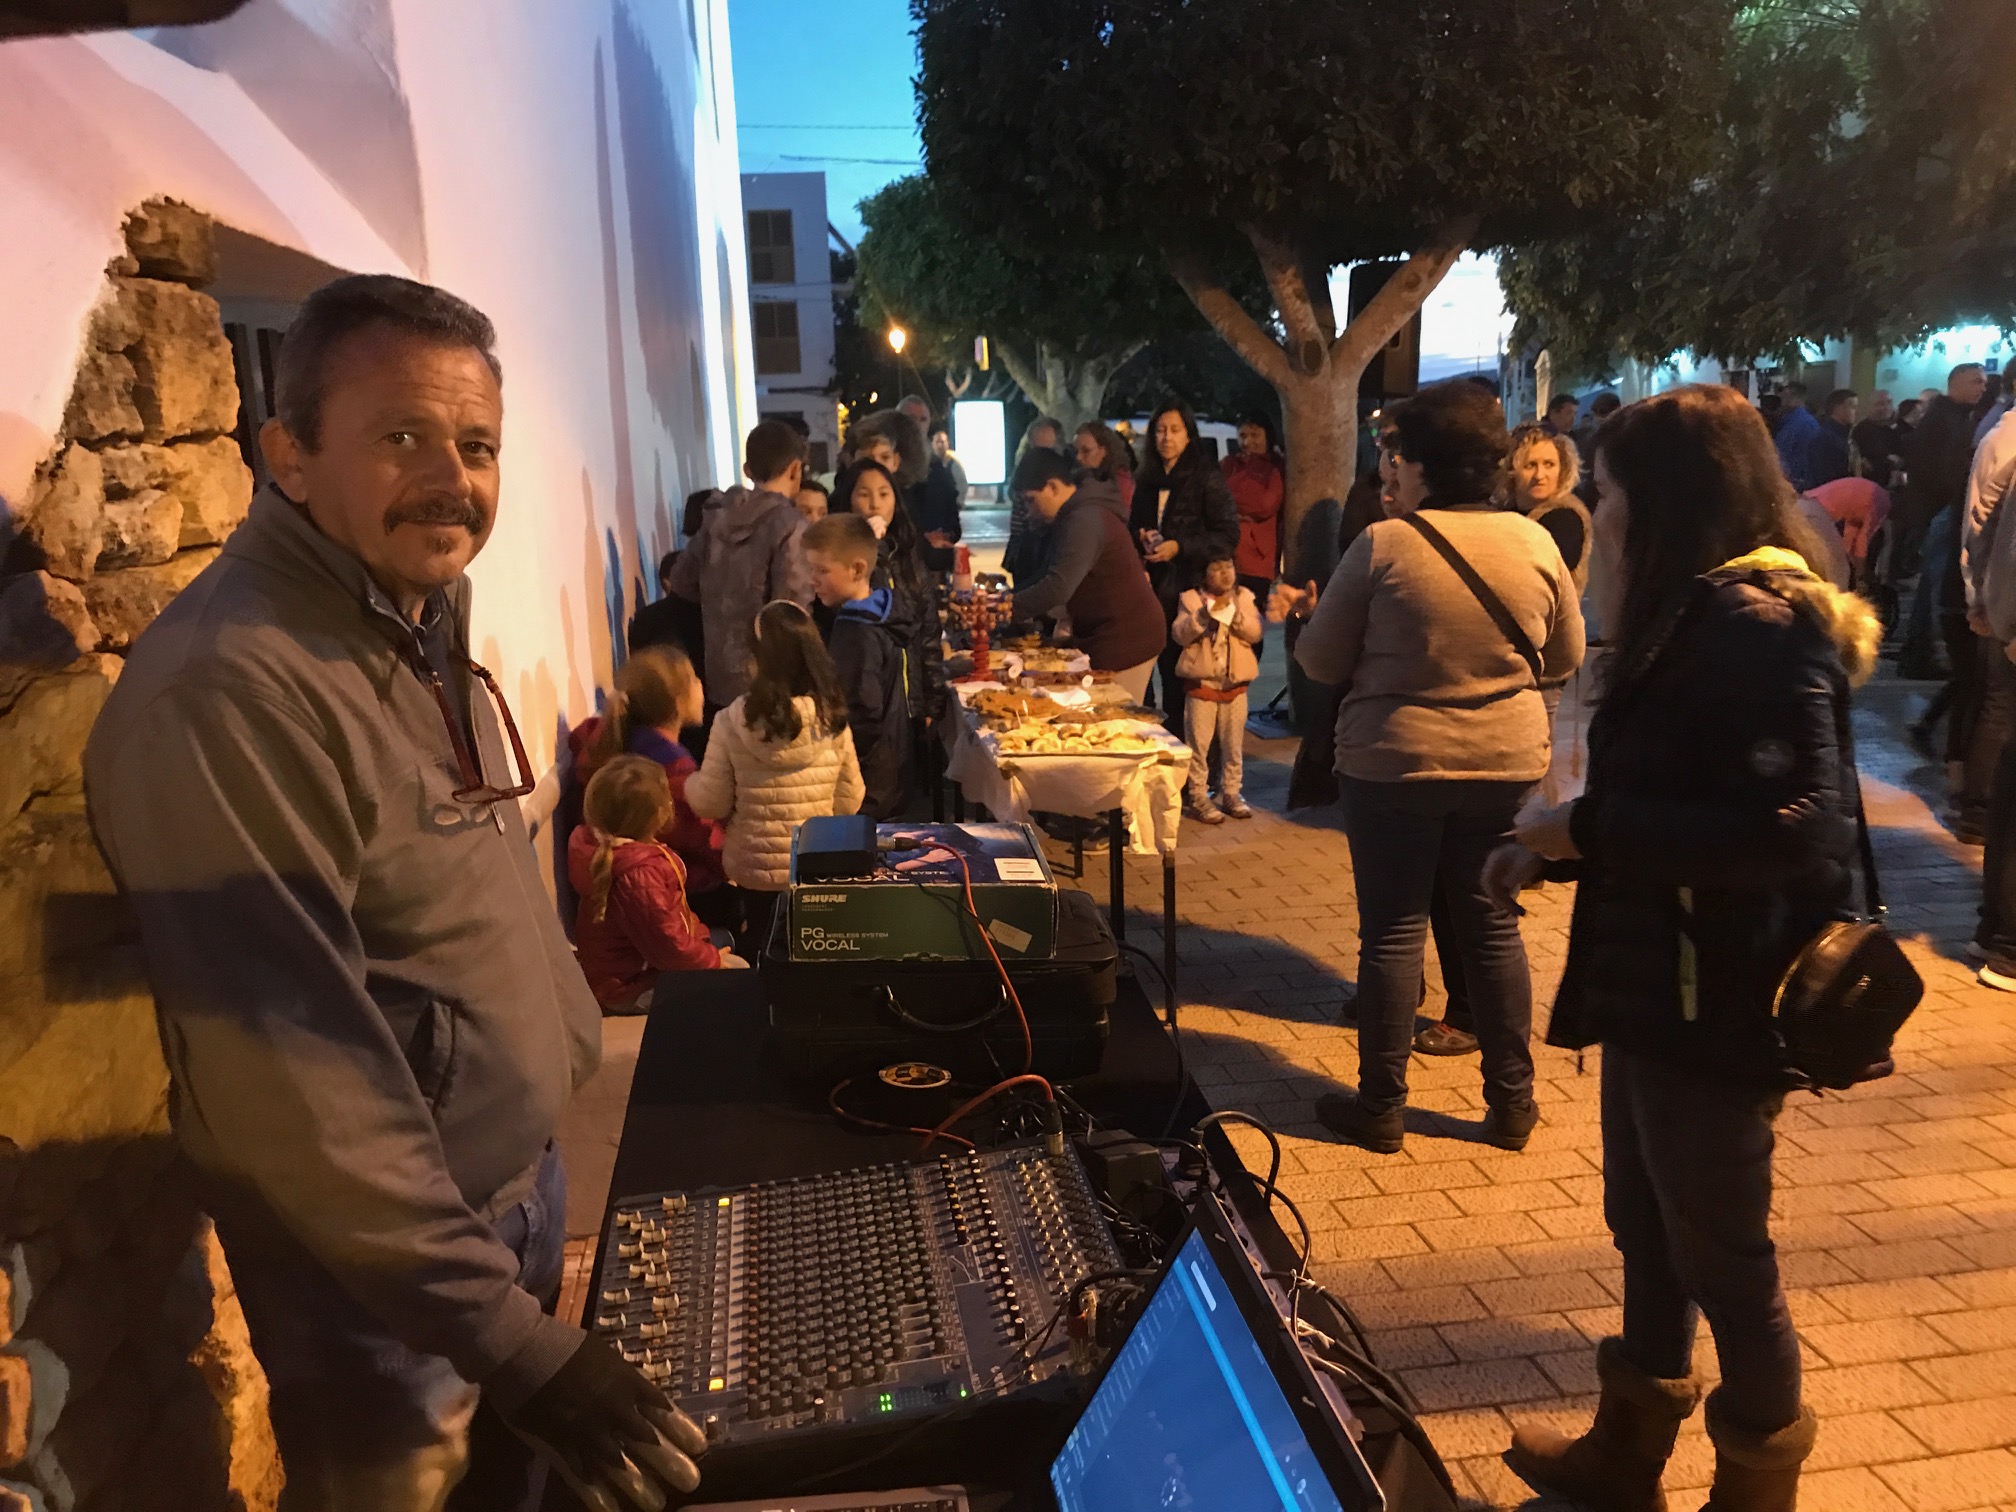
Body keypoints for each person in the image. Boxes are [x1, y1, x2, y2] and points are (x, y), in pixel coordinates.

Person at [82, 274, 703, 1510]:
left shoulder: (412, 621)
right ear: (290, 456)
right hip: (379, 1287)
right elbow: (291, 1092)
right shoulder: (231, 691)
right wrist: (517, 1343)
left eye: (477, 446)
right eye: (402, 435)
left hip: (507, 1203)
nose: (450, 478)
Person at [1494, 384, 1873, 1511]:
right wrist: (1561, 850)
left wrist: (1589, 830)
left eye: (1611, 494)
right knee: (1648, 1230)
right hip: (1661, 979)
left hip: (1721, 996)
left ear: (1668, 502)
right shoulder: (1699, 612)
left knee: (1725, 1258)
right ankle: (1626, 1456)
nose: (1599, 516)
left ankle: (1756, 1488)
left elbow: (1802, 831)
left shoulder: (1758, 623)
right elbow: (1686, 790)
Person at [1279, 380, 1584, 1155]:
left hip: (1394, 764)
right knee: (1492, 927)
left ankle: (1381, 1107)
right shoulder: (1536, 543)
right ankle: (1512, 1106)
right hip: (1505, 763)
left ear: (1422, 465)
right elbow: (1565, 656)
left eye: (1399, 458)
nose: (1393, 472)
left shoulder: (1386, 545)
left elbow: (1319, 662)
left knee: (1392, 933)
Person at [685, 599, 865, 958]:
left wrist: (689, 782)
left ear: (757, 659)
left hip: (755, 868)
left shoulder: (731, 721)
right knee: (812, 947)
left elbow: (712, 802)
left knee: (763, 945)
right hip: (814, 864)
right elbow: (850, 799)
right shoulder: (831, 720)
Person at [564, 645, 731, 928]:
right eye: (694, 679)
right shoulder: (669, 776)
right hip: (659, 900)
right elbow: (709, 844)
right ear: (677, 702)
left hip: (620, 894)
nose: (701, 685)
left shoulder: (607, 745)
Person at [568, 757, 741, 1011]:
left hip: (637, 968)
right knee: (739, 980)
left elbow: (671, 921)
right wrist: (711, 960)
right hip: (630, 988)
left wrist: (701, 943)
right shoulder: (638, 874)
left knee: (722, 939)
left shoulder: (615, 849)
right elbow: (668, 947)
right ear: (660, 814)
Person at [666, 419, 813, 708]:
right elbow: (790, 609)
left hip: (717, 677)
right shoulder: (790, 525)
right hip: (772, 681)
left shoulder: (717, 517)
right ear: (796, 468)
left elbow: (681, 580)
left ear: (747, 470)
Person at [1008, 447, 1167, 699]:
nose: (1028, 512)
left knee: (1113, 717)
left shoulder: (1083, 519)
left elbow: (1057, 587)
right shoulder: (1072, 515)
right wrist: (1007, 600)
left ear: (1053, 487)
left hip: (1127, 638)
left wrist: (1005, 608)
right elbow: (1047, 574)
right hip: (1106, 634)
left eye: (1030, 500)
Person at [1132, 400, 1241, 718]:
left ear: (1188, 435)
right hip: (1152, 588)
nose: (1166, 437)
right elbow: (1135, 523)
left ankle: (1182, 738)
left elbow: (1227, 534)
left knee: (1180, 677)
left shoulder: (1205, 475)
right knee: (1145, 665)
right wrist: (1143, 536)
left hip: (1189, 591)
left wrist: (1179, 547)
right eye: (1160, 430)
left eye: (1175, 430)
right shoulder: (1147, 478)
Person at [805, 512, 915, 819]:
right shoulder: (883, 613)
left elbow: (862, 709)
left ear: (857, 569)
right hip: (892, 764)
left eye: (822, 570)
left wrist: (839, 760)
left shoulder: (855, 630)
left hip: (868, 775)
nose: (813, 579)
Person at [836, 456, 947, 722]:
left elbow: (928, 631)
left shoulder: (907, 553)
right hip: (868, 705)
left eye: (884, 494)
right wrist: (870, 548)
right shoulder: (838, 556)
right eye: (864, 495)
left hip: (911, 701)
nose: (875, 504)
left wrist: (933, 701)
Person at [1898, 363, 1990, 677]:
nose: (1982, 388)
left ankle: (1919, 651)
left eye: (1983, 382)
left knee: (1931, 584)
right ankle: (1925, 653)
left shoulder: (1953, 417)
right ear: (1955, 383)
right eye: (1975, 381)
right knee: (1936, 585)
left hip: (1939, 510)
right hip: (1940, 510)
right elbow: (1940, 470)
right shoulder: (1944, 420)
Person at [1172, 554, 1262, 822]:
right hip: (1202, 686)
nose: (1225, 574)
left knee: (1233, 745)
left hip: (1234, 686)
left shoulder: (1244, 597)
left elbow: (1255, 633)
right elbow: (1179, 634)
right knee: (1198, 745)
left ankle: (1232, 792)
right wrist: (1201, 616)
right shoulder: (1190, 599)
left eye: (1229, 567)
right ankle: (1198, 795)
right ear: (1204, 574)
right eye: (1217, 569)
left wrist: (1236, 616)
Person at [863, 404, 962, 571]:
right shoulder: (887, 486)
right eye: (910, 419)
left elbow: (951, 513)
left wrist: (947, 537)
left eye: (922, 419)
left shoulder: (937, 469)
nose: (916, 425)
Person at [1222, 413, 1285, 616]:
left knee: (1251, 621)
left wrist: (1232, 507)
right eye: (1242, 435)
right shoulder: (1229, 464)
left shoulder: (1275, 468)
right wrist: (1243, 512)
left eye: (1255, 435)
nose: (1247, 442)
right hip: (1224, 556)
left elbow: (1265, 505)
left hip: (1257, 561)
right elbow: (1214, 499)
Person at [1003, 414, 1070, 583]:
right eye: (1034, 450)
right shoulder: (1025, 470)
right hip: (1025, 548)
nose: (1039, 458)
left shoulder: (1066, 477)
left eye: (1046, 452)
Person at [1075, 419, 1138, 508]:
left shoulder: (1121, 486)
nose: (1078, 457)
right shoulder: (1078, 480)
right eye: (1076, 451)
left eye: (1086, 451)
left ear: (1105, 451)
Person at [1771, 381, 1820, 490]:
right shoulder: (1792, 421)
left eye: (1784, 398)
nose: (1781, 402)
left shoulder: (1801, 424)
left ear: (1796, 399)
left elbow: (1779, 454)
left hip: (1795, 484)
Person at [1809, 387, 1857, 486]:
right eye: (1852, 407)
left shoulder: (1846, 436)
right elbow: (1822, 476)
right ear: (1838, 408)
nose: (1856, 411)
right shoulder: (1824, 439)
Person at [1853, 388, 1900, 487]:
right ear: (1869, 407)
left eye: (1889, 403)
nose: (1886, 407)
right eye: (1880, 404)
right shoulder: (1863, 430)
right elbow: (1878, 459)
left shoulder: (1897, 428)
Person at [930, 420, 969, 503]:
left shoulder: (954, 464)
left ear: (947, 444)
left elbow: (962, 485)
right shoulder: (927, 464)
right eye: (937, 442)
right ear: (932, 444)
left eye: (942, 442)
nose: (939, 445)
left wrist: (958, 503)